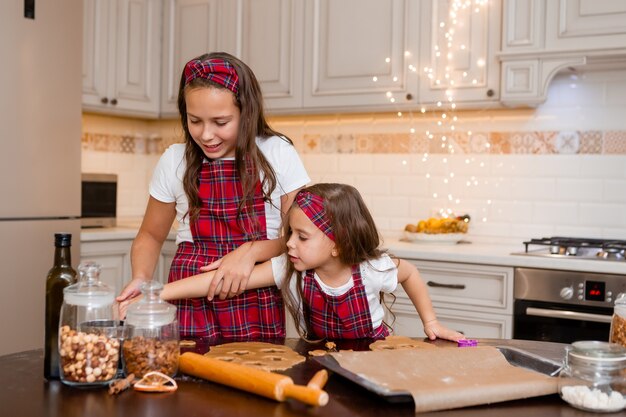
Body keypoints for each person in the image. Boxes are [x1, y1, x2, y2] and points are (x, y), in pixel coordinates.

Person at [116, 52, 310, 340]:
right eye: (195, 121)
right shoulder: (174, 160)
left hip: (254, 294)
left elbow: (303, 237)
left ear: (247, 112)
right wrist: (141, 277)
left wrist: (251, 251)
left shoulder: (277, 153)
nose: (206, 135)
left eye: (220, 122)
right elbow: (151, 235)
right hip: (188, 296)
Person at [122, 184, 464, 342]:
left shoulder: (372, 268)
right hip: (317, 355)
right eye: (290, 233)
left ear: (338, 243)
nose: (287, 244)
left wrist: (430, 322)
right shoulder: (289, 267)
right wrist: (157, 293)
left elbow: (410, 273)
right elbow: (218, 282)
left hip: (373, 357)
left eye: (302, 237)